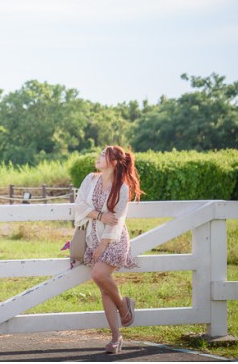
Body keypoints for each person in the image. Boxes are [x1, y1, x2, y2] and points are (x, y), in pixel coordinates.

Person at [74, 145, 144, 354]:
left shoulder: (122, 187)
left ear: (113, 162)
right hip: (92, 238)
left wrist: (103, 244)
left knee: (98, 274)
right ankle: (116, 336)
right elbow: (78, 205)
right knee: (104, 286)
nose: (98, 157)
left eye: (103, 155)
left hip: (113, 241)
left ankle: (123, 309)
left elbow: (118, 220)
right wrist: (99, 216)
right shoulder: (90, 179)